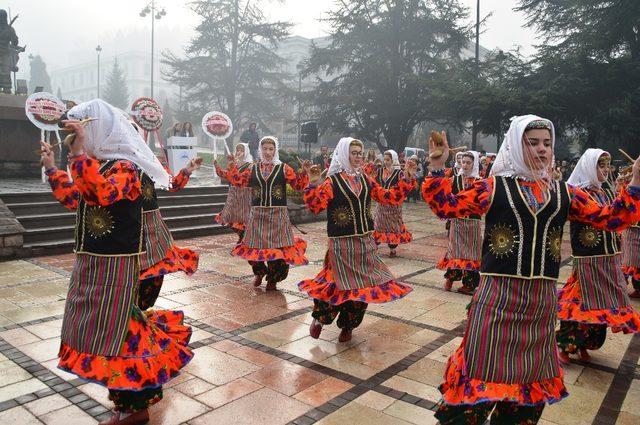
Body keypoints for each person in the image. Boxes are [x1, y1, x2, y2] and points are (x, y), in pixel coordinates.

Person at [421, 115, 640, 424]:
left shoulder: (565, 194)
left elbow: (613, 219)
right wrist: (437, 166)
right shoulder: (493, 188)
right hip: (496, 304)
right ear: (515, 145)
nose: (541, 150)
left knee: (527, 396)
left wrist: (637, 181)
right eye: (533, 142)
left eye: (547, 144)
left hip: (539, 309)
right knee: (477, 386)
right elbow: (445, 205)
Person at [40, 99, 193, 425]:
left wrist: (79, 156)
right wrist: (54, 168)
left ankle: (135, 407)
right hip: (93, 266)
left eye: (80, 131)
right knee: (103, 332)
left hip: (117, 270)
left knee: (121, 335)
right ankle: (129, 403)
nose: (74, 140)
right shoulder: (96, 165)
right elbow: (75, 198)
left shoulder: (126, 169)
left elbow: (102, 194)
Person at [299, 137, 415, 342]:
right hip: (341, 244)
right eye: (354, 153)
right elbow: (315, 207)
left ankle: (348, 326)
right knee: (335, 285)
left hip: (365, 243)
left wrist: (406, 179)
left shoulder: (366, 180)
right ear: (344, 154)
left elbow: (388, 197)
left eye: (360, 153)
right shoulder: (332, 181)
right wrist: (313, 184)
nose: (358, 157)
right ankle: (321, 319)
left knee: (364, 287)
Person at [555, 149, 640, 364]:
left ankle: (584, 345)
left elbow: (620, 215)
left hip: (607, 259)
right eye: (599, 166)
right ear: (588, 168)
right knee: (578, 306)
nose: (604, 171)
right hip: (587, 262)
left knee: (598, 308)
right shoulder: (578, 195)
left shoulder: (606, 192)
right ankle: (565, 347)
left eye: (606, 166)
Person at [226, 136, 311, 290]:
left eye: (271, 149)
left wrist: (304, 172)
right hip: (257, 214)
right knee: (253, 247)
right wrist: (232, 166)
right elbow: (238, 182)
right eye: (265, 149)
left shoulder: (284, 168)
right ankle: (259, 272)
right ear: (260, 150)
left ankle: (273, 279)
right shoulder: (252, 168)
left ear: (275, 150)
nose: (267, 152)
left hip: (278, 215)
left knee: (277, 249)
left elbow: (298, 186)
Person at [437, 151, 482, 295]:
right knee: (454, 250)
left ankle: (469, 284)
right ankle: (451, 277)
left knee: (471, 252)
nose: (466, 165)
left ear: (474, 164)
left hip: (473, 222)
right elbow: (446, 196)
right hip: (457, 221)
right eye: (463, 162)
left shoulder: (479, 181)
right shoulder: (454, 179)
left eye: (469, 163)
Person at [372, 149, 413, 257]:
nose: (386, 162)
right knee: (378, 225)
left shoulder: (399, 173)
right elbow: (375, 183)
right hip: (381, 204)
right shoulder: (380, 171)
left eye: (388, 159)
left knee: (393, 227)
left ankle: (393, 249)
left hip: (394, 206)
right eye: (384, 159)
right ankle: (374, 247)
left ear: (393, 160)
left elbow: (404, 187)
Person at [214, 143, 254, 242]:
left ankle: (244, 238)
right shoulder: (234, 164)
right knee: (230, 219)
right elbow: (225, 174)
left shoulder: (250, 165)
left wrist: (232, 165)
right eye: (237, 150)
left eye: (241, 150)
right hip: (233, 194)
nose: (239, 152)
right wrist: (216, 166)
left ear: (246, 151)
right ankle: (241, 237)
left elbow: (240, 180)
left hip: (244, 195)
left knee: (242, 220)